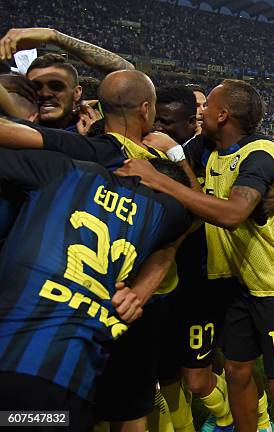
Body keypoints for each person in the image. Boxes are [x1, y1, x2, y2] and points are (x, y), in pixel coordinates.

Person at [0, 70, 193, 432]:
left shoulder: (73, 162)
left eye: (54, 87)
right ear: (146, 110)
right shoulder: (163, 209)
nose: (46, 95)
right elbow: (192, 214)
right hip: (80, 351)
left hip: (30, 345)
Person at [115, 79, 274, 432]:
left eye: (208, 106)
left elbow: (234, 214)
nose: (199, 111)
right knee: (236, 371)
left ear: (223, 114)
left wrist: (161, 182)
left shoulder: (258, 154)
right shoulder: (206, 147)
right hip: (237, 282)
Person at [0, 27, 133, 132]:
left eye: (56, 86)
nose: (45, 94)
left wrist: (53, 36)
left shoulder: (94, 125)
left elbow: (129, 74)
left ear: (77, 93)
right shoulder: (12, 124)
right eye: (36, 86)